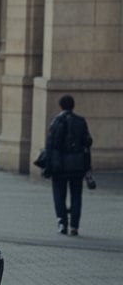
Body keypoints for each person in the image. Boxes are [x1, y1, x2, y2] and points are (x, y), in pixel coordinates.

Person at [46, 94, 93, 236]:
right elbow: (87, 143)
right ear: (73, 106)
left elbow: (51, 146)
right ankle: (74, 226)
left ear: (61, 106)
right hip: (77, 166)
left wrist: (48, 166)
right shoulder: (81, 121)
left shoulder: (56, 122)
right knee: (76, 195)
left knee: (59, 195)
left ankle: (62, 223)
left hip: (59, 166)